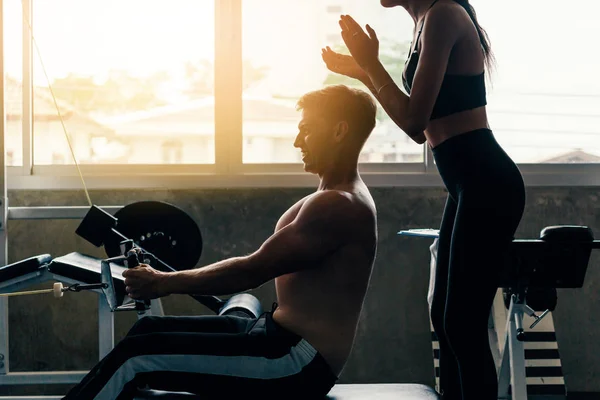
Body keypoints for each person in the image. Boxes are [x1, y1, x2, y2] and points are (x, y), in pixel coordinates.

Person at [61, 84, 379, 400]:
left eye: (307, 130)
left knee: (135, 357)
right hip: (277, 336)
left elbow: (251, 272)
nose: (298, 141)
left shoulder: (339, 205)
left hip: (296, 362)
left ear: (339, 131)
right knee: (147, 331)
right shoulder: (330, 197)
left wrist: (162, 283)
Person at [322, 1, 525, 400]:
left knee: (462, 324)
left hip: (488, 182)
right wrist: (363, 70)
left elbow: (415, 123)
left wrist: (370, 66)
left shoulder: (444, 15)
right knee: (445, 319)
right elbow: (418, 115)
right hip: (468, 185)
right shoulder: (424, 20)